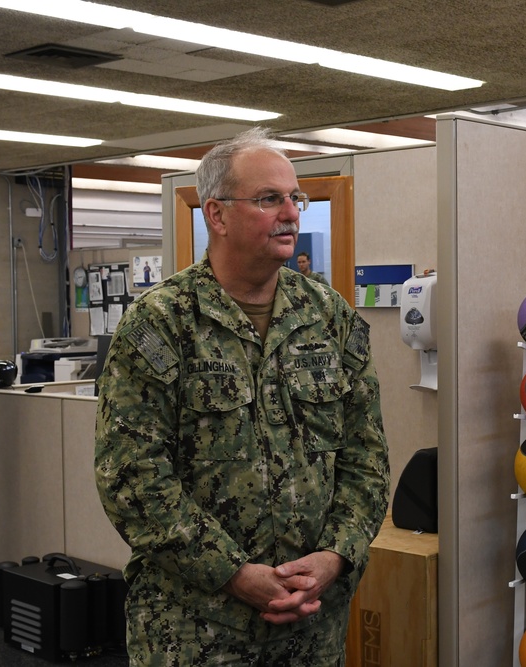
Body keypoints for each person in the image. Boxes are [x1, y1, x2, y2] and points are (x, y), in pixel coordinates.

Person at [94, 127, 390, 666]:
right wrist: (231, 573)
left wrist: (336, 556)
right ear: (217, 214)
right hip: (195, 626)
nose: (291, 213)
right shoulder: (160, 323)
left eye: (293, 198)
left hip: (312, 625)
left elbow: (366, 458)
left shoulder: (330, 318)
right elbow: (131, 476)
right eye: (269, 198)